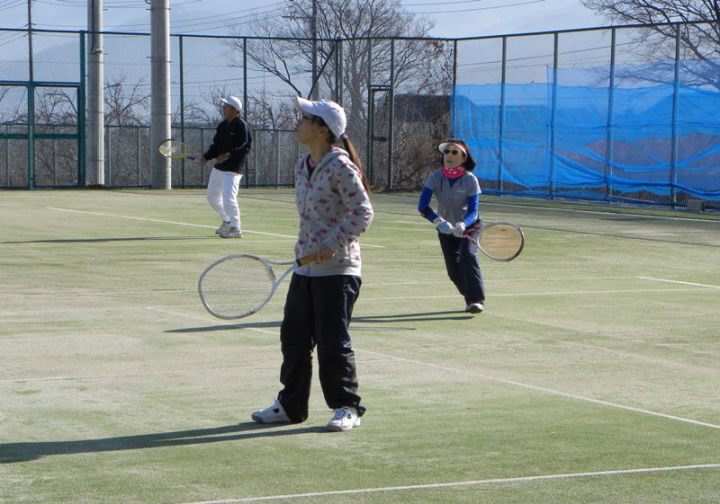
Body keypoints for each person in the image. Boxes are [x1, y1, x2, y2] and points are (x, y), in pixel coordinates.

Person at [251, 96, 373, 432]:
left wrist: (332, 243)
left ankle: (347, 406)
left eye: (305, 118)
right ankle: (290, 406)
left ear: (322, 129)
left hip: (339, 270)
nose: (298, 123)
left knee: (332, 341)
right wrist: (308, 249)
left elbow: (363, 213)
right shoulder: (302, 164)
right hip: (304, 267)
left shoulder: (341, 166)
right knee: (293, 338)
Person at [418, 139, 485, 313]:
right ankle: (470, 297)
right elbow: (423, 206)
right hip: (446, 229)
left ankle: (476, 300)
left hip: (470, 227)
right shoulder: (434, 177)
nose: (449, 155)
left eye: (455, 152)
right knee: (453, 271)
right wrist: (438, 221)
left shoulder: (470, 180)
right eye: (447, 152)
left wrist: (463, 224)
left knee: (467, 256)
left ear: (463, 158)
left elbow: (474, 211)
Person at [201, 96, 252, 239]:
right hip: (219, 167)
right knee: (212, 197)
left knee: (228, 198)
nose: (223, 108)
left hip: (233, 169)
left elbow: (246, 147)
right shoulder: (222, 126)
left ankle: (236, 228)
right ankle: (227, 220)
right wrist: (206, 157)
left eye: (226, 106)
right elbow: (216, 146)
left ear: (234, 110)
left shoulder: (242, 126)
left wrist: (228, 155)